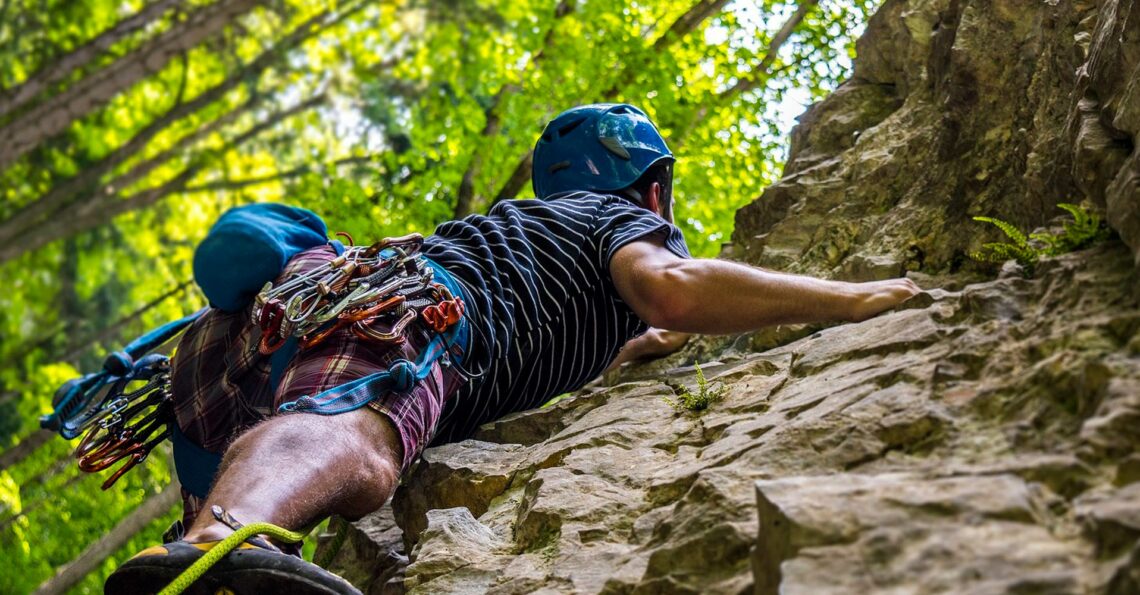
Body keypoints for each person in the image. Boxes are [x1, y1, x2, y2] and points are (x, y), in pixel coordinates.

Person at [106, 103, 920, 594]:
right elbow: (673, 289)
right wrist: (858, 298)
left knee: (217, 542)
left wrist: (643, 345)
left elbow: (628, 336)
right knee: (361, 435)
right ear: (652, 190)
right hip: (403, 312)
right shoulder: (616, 223)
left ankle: (201, 541)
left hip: (237, 348)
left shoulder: (535, 242)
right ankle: (217, 540)